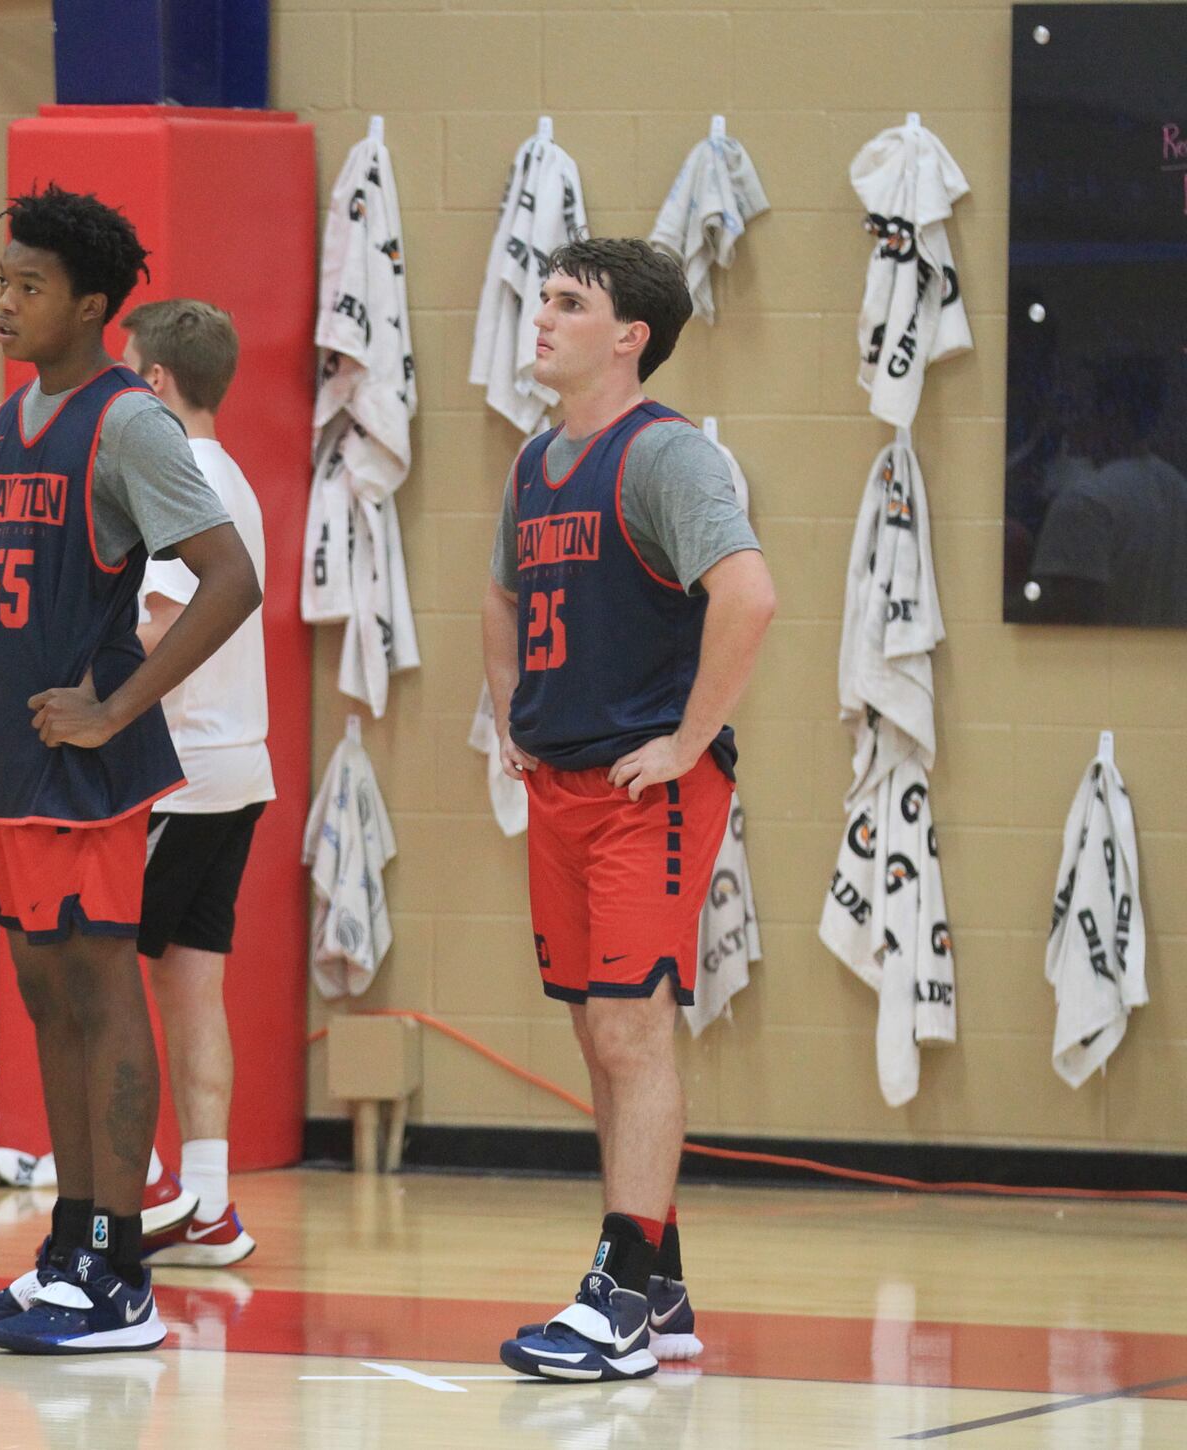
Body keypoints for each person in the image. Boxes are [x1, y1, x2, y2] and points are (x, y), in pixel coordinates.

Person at [0, 183, 262, 1355]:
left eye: (27, 287)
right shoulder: (1, 425)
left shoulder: (129, 424)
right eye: (2, 282)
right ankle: (71, 1241)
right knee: (46, 1003)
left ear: (88, 305)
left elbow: (230, 578)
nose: (4, 305)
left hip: (90, 764)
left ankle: (119, 1266)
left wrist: (118, 703)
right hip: (21, 763)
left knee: (102, 994)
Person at [483, 238, 775, 1382]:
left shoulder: (667, 458)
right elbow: (501, 595)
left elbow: (747, 595)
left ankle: (614, 1292)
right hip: (558, 782)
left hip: (641, 790)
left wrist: (690, 739)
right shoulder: (531, 464)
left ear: (629, 336)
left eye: (569, 302)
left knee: (629, 1026)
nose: (542, 315)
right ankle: (658, 1284)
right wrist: (511, 713)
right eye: (543, 296)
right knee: (593, 1039)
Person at [118, 299, 273, 1268]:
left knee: (92, 980)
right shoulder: (233, 475)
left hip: (182, 771)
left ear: (156, 384)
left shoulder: (179, 476)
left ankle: (120, 1191)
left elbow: (156, 625)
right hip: (236, 764)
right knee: (190, 989)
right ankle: (209, 1203)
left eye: (126, 374)